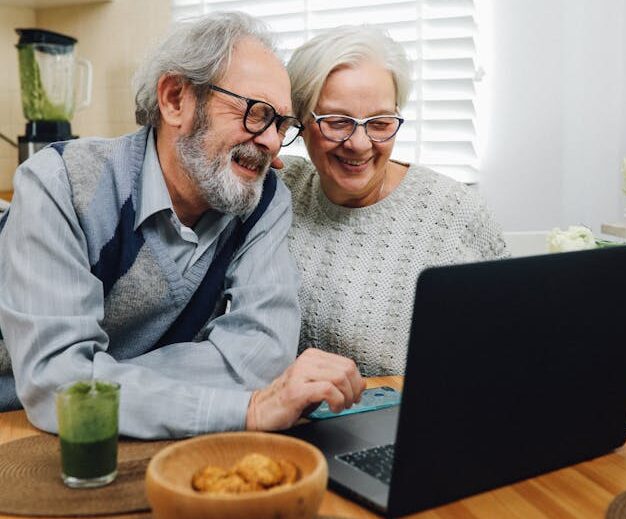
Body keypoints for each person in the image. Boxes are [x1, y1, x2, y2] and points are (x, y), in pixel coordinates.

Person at [0, 12, 364, 438]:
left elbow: (262, 355)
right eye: (256, 113)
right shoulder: (59, 182)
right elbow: (55, 386)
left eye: (281, 125)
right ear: (176, 100)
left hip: (111, 431)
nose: (269, 141)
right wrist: (243, 407)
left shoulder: (263, 199)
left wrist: (97, 378)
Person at [280, 26, 508, 377]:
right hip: (292, 418)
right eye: (338, 122)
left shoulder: (454, 211)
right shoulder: (280, 190)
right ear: (301, 121)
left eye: (380, 122)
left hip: (412, 418)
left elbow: (509, 340)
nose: (359, 143)